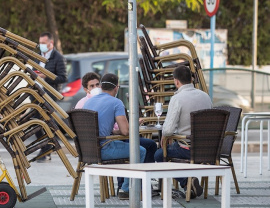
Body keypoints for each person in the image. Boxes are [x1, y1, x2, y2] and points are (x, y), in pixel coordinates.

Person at [83, 73, 157, 200]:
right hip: (104, 149)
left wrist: (115, 132)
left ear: (101, 86)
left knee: (133, 148)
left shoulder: (88, 102)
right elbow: (125, 131)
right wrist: (134, 124)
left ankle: (132, 187)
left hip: (87, 151)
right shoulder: (116, 102)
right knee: (139, 150)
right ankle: (127, 189)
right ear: (117, 88)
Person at [154, 65, 212, 199]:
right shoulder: (205, 96)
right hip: (208, 149)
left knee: (159, 155)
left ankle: (187, 181)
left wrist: (165, 135)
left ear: (176, 81)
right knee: (171, 149)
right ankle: (188, 184)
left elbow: (168, 129)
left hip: (187, 148)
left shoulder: (177, 98)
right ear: (191, 79)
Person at [33, 32, 67, 162]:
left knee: (46, 122)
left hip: (50, 95)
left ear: (50, 43)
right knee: (35, 122)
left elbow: (63, 77)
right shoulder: (38, 56)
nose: (40, 45)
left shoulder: (58, 58)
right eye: (40, 43)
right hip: (36, 93)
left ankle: (46, 150)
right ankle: (45, 149)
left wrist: (46, 76)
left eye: (43, 43)